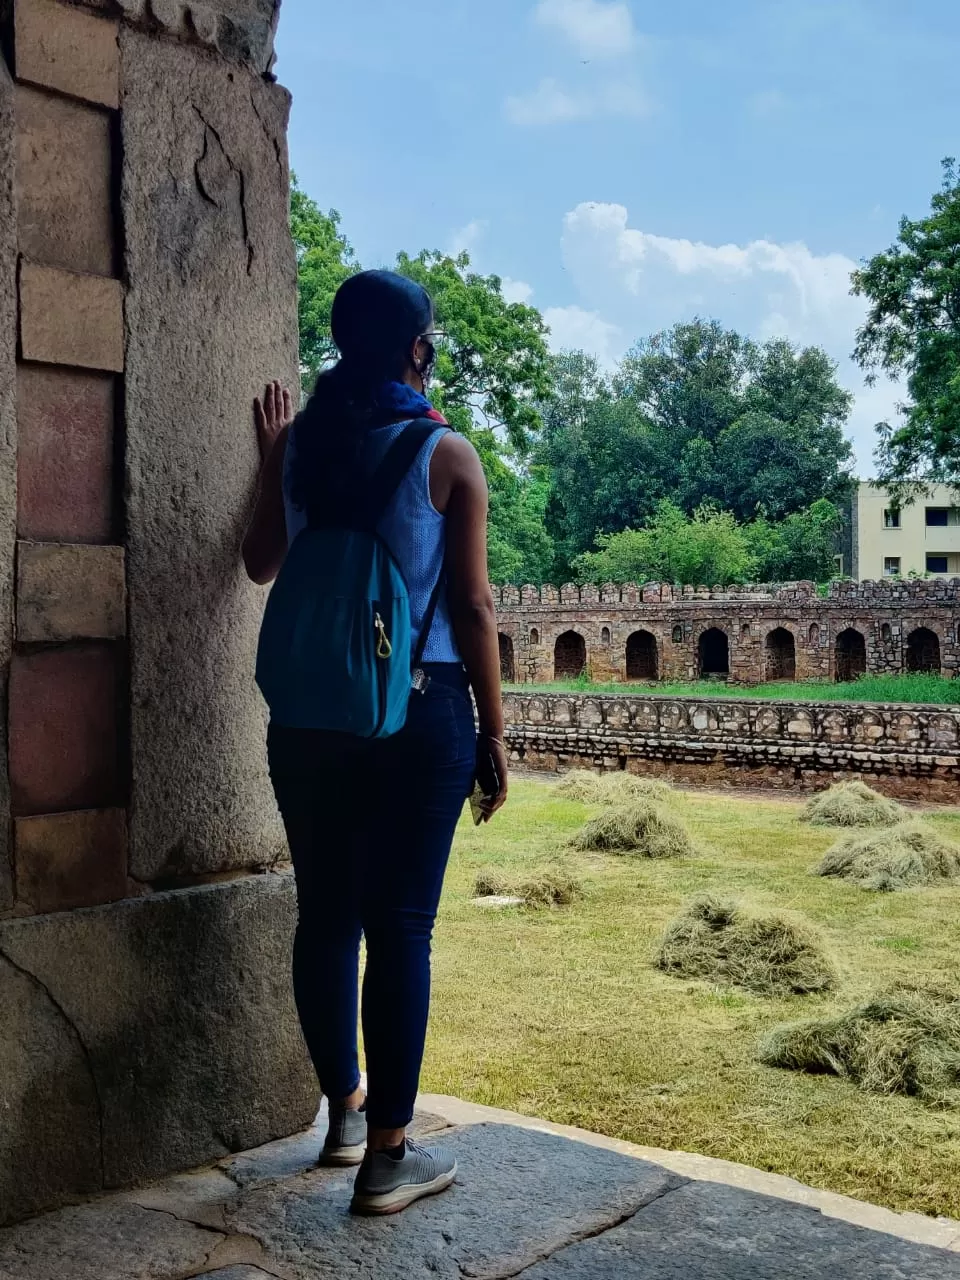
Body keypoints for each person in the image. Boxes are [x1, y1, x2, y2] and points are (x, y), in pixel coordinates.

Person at [242, 270, 508, 1216]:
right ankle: (390, 1158)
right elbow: (474, 607)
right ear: (416, 349)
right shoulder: (447, 454)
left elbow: (260, 563)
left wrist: (274, 455)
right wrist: (495, 735)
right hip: (420, 706)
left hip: (310, 715)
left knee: (326, 916)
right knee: (402, 926)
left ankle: (345, 1112)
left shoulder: (301, 446)